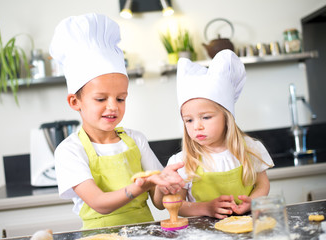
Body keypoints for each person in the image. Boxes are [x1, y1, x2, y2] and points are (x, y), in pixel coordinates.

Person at [49, 13, 184, 229]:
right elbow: (100, 203)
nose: (113, 106)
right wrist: (139, 187)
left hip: (145, 232)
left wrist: (168, 184)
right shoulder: (69, 150)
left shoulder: (136, 140)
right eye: (101, 99)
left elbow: (158, 203)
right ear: (75, 101)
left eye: (121, 98)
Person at [153, 49, 274, 219]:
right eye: (189, 120)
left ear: (227, 117)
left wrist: (252, 202)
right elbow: (177, 205)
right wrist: (205, 208)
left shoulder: (250, 149)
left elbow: (263, 185)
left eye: (206, 117)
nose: (197, 126)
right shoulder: (183, 162)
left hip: (248, 227)